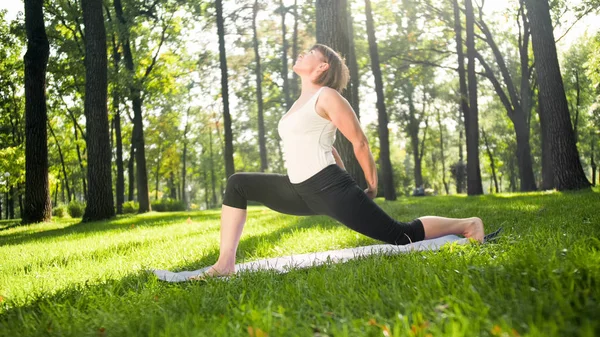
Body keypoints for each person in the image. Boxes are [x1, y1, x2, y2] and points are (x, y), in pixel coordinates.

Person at [199, 44, 484, 278]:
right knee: (238, 184)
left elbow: (359, 140)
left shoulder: (328, 96)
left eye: (311, 52)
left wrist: (371, 185)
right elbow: (328, 144)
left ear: (323, 67)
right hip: (299, 190)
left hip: (326, 187)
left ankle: (468, 224)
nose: (302, 53)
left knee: (400, 236)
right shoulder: (299, 103)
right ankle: (225, 264)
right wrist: (344, 172)